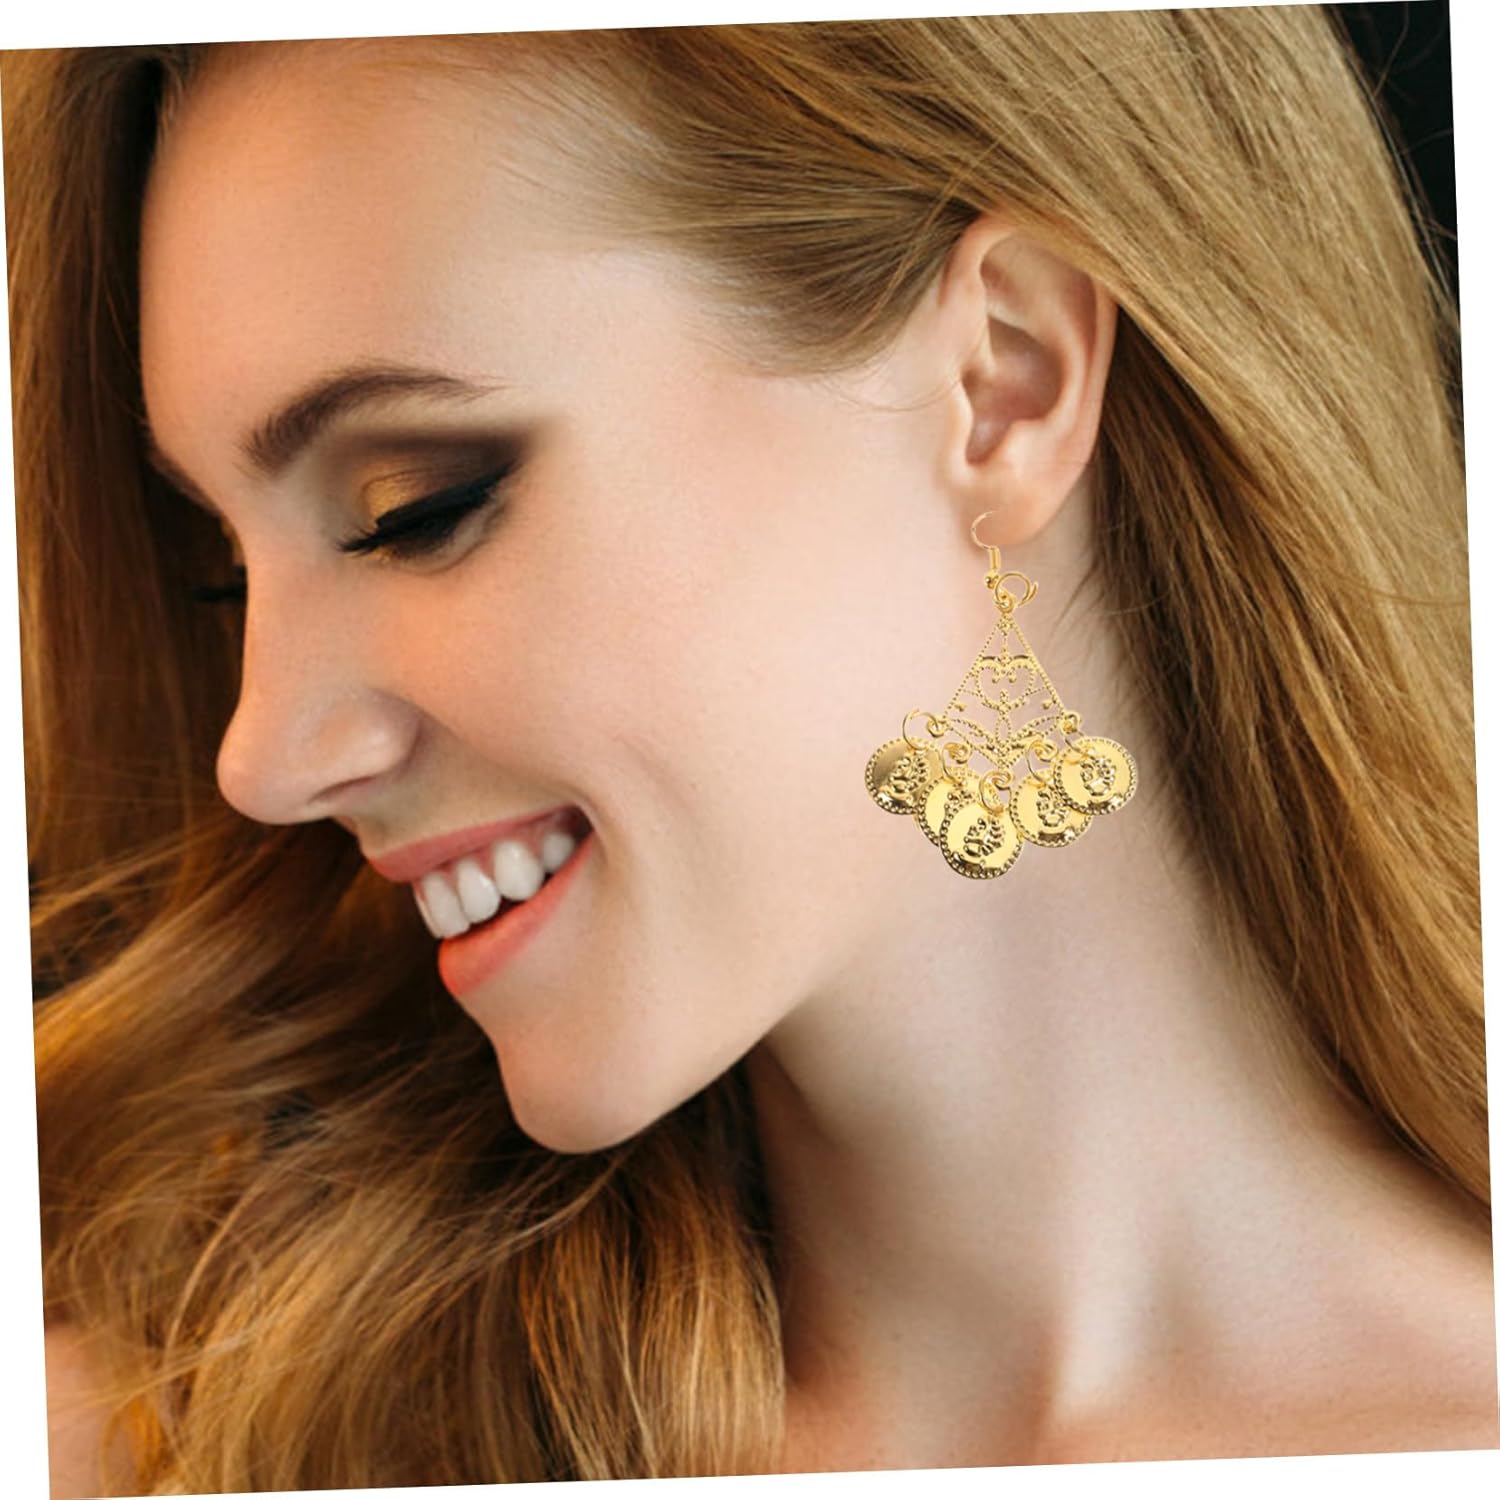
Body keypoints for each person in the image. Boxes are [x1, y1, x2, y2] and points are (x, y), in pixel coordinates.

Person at [6, 11, 1495, 1494]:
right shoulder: (170, 1449)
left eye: (416, 508)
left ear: (1004, 381)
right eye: (229, 576)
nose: (263, 758)